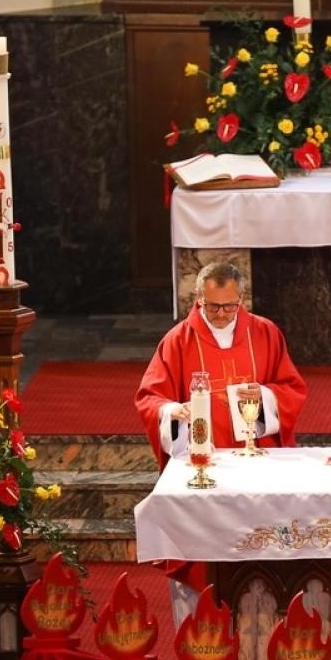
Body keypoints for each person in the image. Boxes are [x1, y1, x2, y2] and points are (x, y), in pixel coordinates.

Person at [134, 260, 307, 619]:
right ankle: (203, 630)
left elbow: (292, 388)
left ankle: (266, 615)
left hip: (258, 457)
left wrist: (262, 397)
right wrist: (171, 411)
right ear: (198, 299)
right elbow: (150, 397)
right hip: (204, 459)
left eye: (230, 306)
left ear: (241, 298)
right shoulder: (178, 340)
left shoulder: (265, 332)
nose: (222, 314)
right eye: (213, 306)